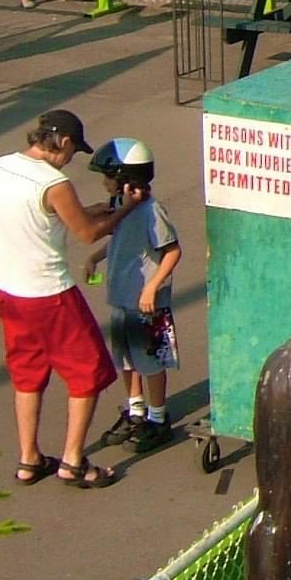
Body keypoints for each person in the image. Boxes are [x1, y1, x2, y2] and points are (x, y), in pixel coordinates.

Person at [0, 110, 146, 489]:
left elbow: (36, 217)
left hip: (8, 289)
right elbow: (87, 234)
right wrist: (126, 208)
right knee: (88, 372)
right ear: (65, 143)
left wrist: (90, 210)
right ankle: (73, 461)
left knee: (27, 373)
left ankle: (29, 459)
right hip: (49, 294)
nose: (71, 159)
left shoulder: (1, 166)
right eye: (74, 152)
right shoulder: (53, 182)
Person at [83, 138, 182, 454]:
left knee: (150, 360)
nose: (104, 182)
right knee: (126, 358)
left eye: (107, 176)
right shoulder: (119, 205)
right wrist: (95, 257)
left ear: (126, 178)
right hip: (121, 298)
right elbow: (119, 238)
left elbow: (172, 251)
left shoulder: (152, 211)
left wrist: (152, 286)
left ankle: (158, 418)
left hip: (146, 303)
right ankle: (136, 410)